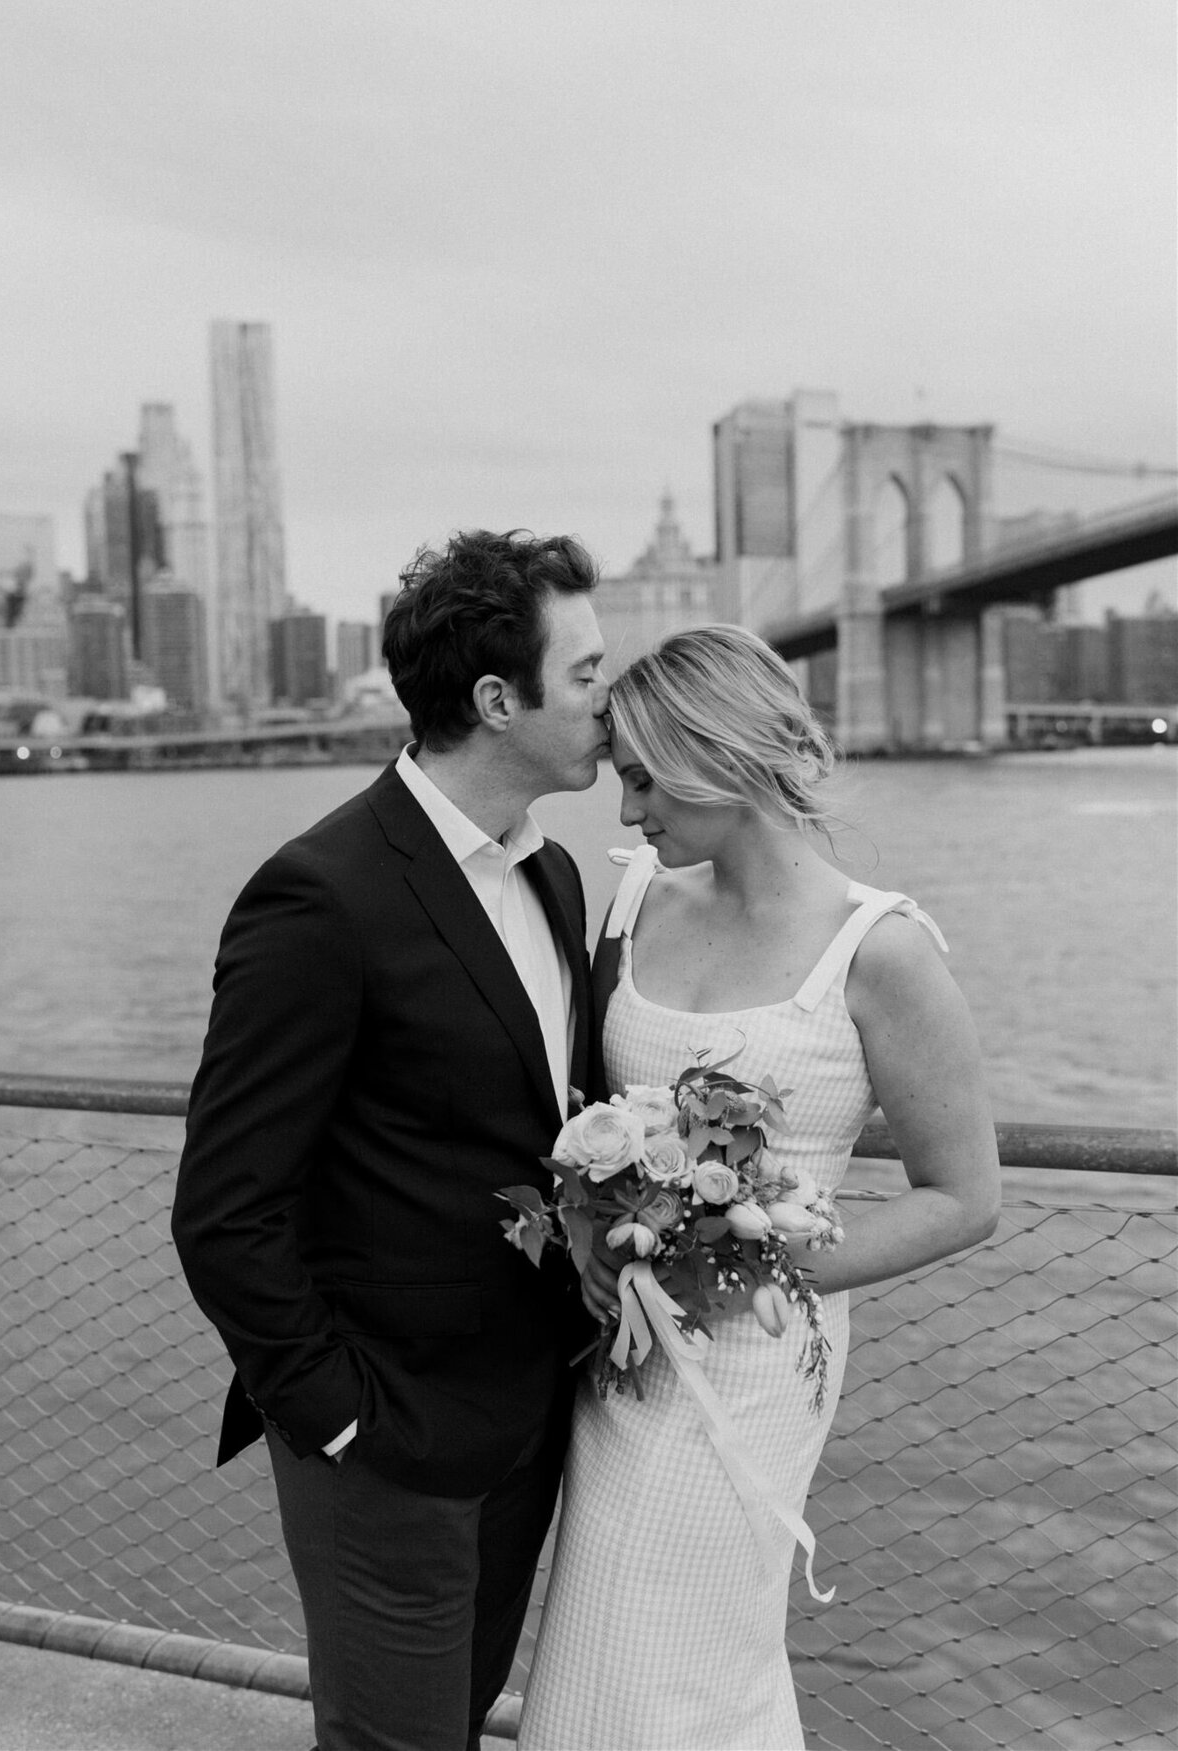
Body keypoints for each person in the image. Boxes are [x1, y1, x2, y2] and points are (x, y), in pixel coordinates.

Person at [518, 622, 1001, 1751]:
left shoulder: (881, 951)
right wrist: (598, 1232)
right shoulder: (633, 901)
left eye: (642, 780)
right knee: (602, 1627)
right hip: (622, 1349)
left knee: (692, 1640)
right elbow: (583, 1108)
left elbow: (964, 1196)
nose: (628, 813)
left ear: (714, 756)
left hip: (764, 1351)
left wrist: (746, 1251)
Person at [171, 529, 610, 1751]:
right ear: (494, 699)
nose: (607, 698)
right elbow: (224, 1209)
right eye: (584, 674)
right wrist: (343, 1421)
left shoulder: (560, 878)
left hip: (527, 1426)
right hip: (386, 1447)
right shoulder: (322, 893)